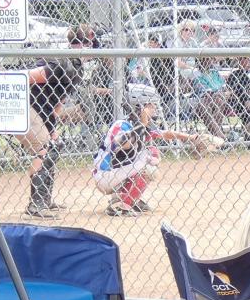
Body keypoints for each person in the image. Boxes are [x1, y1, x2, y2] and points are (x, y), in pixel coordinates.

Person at [92, 85, 221, 216]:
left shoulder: (139, 127)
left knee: (151, 152)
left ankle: (123, 198)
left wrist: (192, 137)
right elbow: (123, 144)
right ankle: (122, 205)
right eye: (151, 106)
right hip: (105, 175)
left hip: (115, 173)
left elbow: (165, 133)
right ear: (141, 106)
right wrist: (143, 121)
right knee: (150, 160)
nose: (155, 109)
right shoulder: (121, 125)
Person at [15, 28, 85, 217]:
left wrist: (52, 128)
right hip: (20, 104)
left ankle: (44, 199)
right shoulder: (61, 63)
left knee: (55, 143)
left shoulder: (76, 69)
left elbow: (56, 106)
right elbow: (25, 77)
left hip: (38, 110)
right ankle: (35, 205)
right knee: (44, 147)